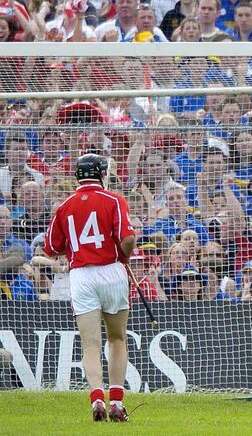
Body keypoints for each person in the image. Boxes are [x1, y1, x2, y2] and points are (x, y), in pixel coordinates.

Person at [43, 154, 137, 422]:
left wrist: (76, 247)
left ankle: (97, 397)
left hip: (81, 275)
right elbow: (127, 239)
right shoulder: (114, 200)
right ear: (101, 174)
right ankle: (117, 402)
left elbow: (52, 248)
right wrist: (125, 255)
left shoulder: (64, 206)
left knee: (90, 345)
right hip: (111, 270)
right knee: (117, 338)